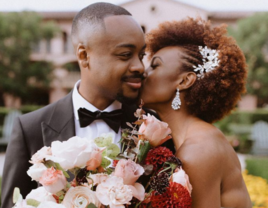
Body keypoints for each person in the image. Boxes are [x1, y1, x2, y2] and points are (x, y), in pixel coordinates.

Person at [1, 3, 175, 208]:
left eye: (141, 55)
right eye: (125, 55)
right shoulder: (29, 128)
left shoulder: (155, 129)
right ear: (84, 56)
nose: (139, 66)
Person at [141, 18, 252, 208]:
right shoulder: (200, 139)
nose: (144, 72)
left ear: (184, 81)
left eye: (155, 65)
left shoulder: (197, 153)